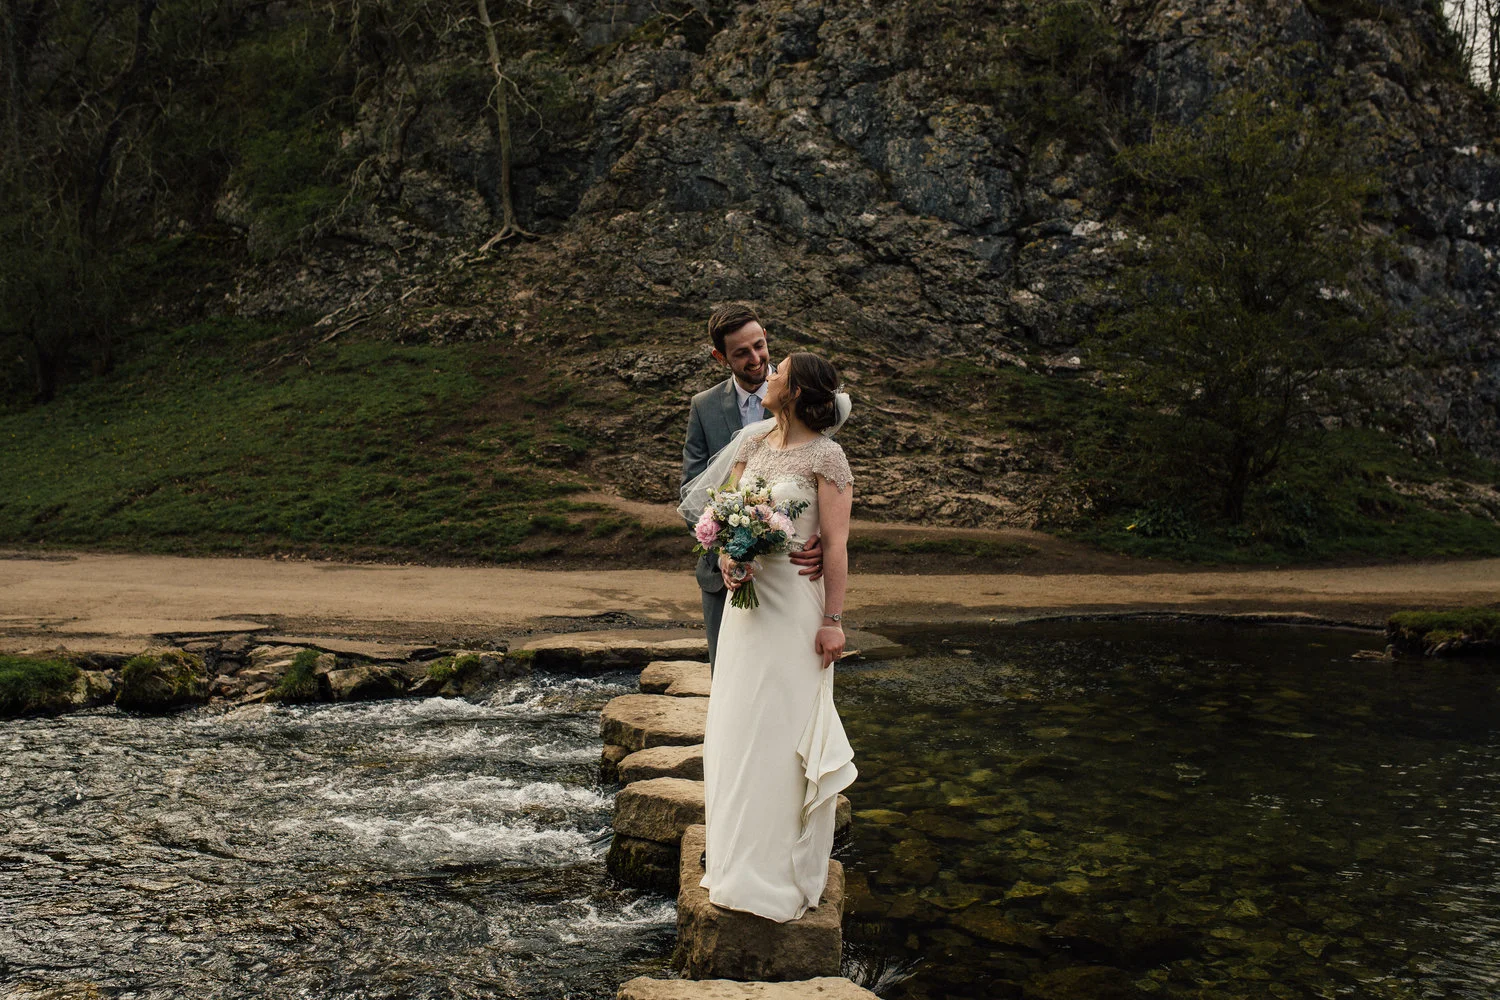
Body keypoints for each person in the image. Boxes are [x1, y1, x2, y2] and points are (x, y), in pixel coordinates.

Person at [699, 352, 858, 923]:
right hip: (748, 611)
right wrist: (726, 559)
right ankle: (735, 861)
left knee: (782, 728)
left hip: (796, 610)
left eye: (778, 372)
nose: (766, 377)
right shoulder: (750, 445)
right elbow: (723, 517)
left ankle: (779, 872)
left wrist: (833, 620)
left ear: (796, 391)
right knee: (739, 725)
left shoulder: (827, 455)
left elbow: (835, 545)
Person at [681, 303, 822, 668]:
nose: (756, 359)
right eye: (741, 353)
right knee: (728, 677)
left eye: (759, 345)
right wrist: (727, 544)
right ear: (720, 357)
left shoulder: (799, 394)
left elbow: (823, 476)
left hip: (787, 573)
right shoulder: (704, 406)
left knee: (787, 674)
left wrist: (819, 535)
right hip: (721, 575)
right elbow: (691, 491)